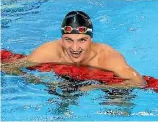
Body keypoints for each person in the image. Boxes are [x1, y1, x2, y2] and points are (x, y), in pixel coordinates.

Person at [1, 11, 146, 90]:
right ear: (61, 39)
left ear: (90, 39)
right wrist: (35, 79)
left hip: (101, 84)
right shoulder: (49, 51)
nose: (74, 48)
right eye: (68, 40)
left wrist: (96, 86)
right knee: (61, 95)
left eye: (82, 40)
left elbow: (139, 82)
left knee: (120, 100)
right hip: (65, 80)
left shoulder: (107, 57)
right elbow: (8, 67)